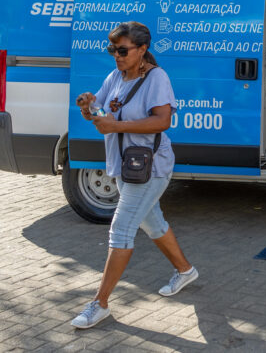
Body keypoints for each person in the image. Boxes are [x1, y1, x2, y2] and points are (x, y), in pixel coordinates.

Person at [71, 22, 197, 329]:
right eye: (112, 49)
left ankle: (99, 304)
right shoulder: (115, 76)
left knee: (121, 230)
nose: (116, 55)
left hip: (151, 166)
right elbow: (103, 116)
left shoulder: (156, 78)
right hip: (123, 166)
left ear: (141, 50)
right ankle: (185, 270)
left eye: (123, 50)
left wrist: (116, 126)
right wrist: (89, 108)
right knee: (153, 221)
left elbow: (163, 120)